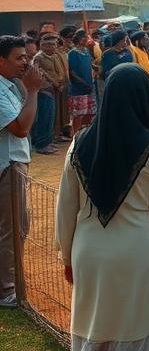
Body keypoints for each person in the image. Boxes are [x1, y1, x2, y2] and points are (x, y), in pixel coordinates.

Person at [55, 64, 149, 350]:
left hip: (87, 252)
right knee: (134, 328)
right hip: (134, 252)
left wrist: (66, 257)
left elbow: (65, 207)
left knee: (91, 327)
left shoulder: (79, 143)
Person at [0, 36, 43, 308]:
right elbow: (21, 129)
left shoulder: (11, 85)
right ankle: (7, 290)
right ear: (1, 60)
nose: (25, 62)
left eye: (26, 57)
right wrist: (34, 92)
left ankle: (8, 283)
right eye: (19, 57)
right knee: (13, 229)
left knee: (15, 227)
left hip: (14, 164)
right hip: (8, 166)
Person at [67, 30, 96, 134]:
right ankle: (76, 136)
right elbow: (72, 73)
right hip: (78, 89)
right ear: (80, 39)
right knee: (79, 115)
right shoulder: (73, 53)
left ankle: (85, 134)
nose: (87, 39)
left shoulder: (86, 51)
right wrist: (83, 83)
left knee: (89, 113)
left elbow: (90, 65)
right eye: (85, 37)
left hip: (89, 87)